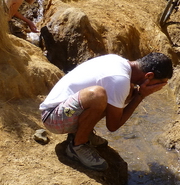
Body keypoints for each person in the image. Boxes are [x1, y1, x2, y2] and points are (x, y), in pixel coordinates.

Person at [39, 52, 173, 172]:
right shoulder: (120, 79)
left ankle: (84, 133)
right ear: (149, 76)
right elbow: (113, 126)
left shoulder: (119, 62)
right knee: (98, 96)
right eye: (158, 84)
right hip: (54, 118)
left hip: (64, 110)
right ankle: (77, 146)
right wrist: (140, 96)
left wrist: (135, 94)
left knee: (128, 92)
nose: (158, 88)